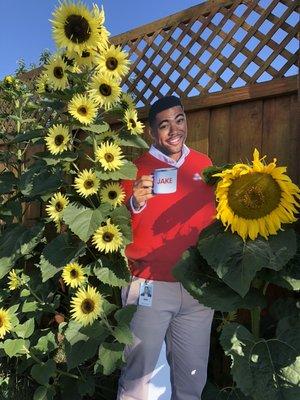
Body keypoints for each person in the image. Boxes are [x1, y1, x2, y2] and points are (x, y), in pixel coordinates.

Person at [118, 95, 215, 400]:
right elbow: (115, 226)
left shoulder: (204, 164)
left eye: (179, 120)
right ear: (151, 132)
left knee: (192, 376)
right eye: (164, 125)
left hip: (197, 287)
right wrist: (135, 202)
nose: (174, 130)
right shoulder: (134, 171)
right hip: (149, 285)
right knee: (140, 378)